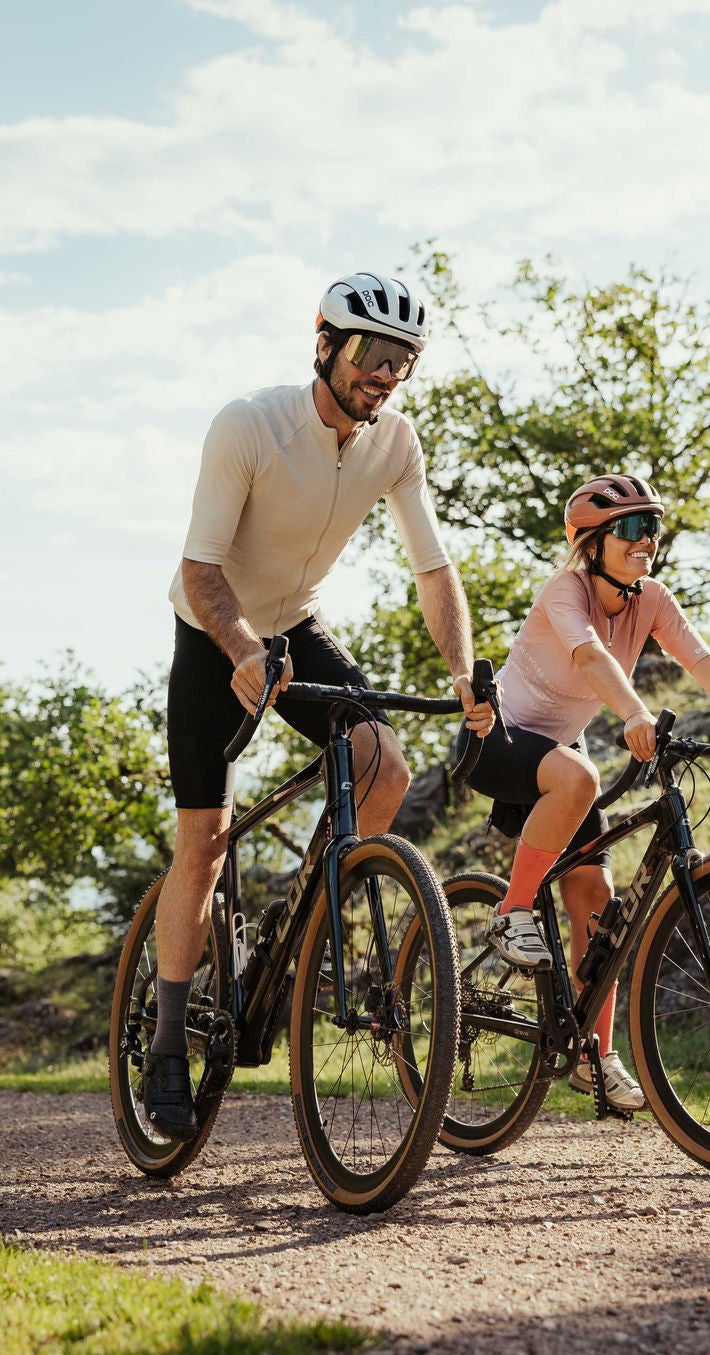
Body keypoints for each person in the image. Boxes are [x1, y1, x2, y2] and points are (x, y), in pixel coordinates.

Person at [143, 271, 496, 1139]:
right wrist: (239, 652)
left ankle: (306, 919)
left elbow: (434, 569)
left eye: (403, 363)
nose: (386, 375)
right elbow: (201, 566)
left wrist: (464, 673)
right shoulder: (250, 424)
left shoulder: (395, 443)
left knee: (385, 764)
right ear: (328, 344)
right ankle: (162, 1037)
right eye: (375, 355)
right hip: (211, 632)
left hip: (295, 625)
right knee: (206, 840)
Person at [461, 473, 710, 1111]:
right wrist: (632, 714)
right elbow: (593, 658)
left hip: (562, 751)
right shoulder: (562, 591)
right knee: (581, 776)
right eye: (627, 527)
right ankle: (511, 913)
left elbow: (704, 664)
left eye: (651, 526)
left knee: (598, 903)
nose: (643, 538)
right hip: (502, 738)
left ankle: (594, 1056)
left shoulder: (652, 598)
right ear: (590, 542)